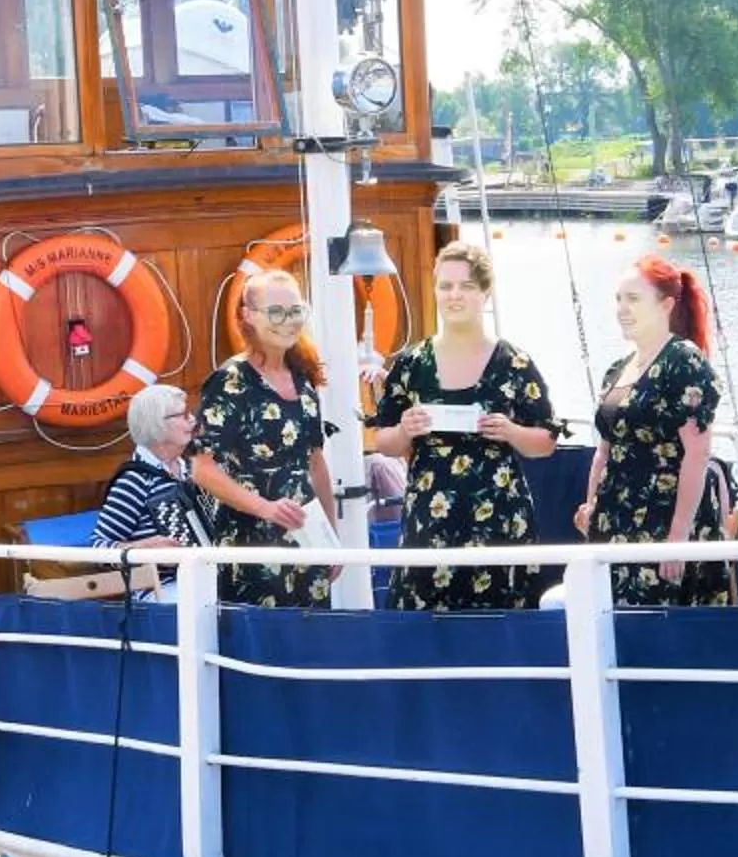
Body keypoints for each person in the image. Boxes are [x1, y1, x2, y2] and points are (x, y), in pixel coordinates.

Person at [368, 242, 559, 610]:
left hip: (501, 522)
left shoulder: (514, 363)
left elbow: (546, 441)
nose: (455, 295)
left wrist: (511, 432)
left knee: (505, 625)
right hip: (430, 523)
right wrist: (406, 429)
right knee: (426, 630)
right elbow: (384, 441)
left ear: (485, 293)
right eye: (446, 286)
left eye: (467, 286)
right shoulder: (411, 364)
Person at [578, 254, 730, 605]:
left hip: (661, 518)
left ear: (665, 305)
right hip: (615, 518)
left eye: (633, 299)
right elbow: (605, 449)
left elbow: (697, 453)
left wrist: (677, 538)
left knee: (660, 626)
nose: (622, 308)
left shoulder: (682, 360)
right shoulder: (618, 368)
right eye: (618, 299)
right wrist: (590, 506)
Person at [189, 267, 338, 607]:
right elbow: (202, 469)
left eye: (295, 310)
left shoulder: (303, 380)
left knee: (310, 650)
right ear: (248, 316)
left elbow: (315, 464)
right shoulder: (230, 381)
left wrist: (332, 540)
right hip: (251, 551)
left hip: (308, 544)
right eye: (275, 311)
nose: (287, 320)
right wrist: (266, 509)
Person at [70, 383, 210, 598]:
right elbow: (98, 548)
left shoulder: (191, 469)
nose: (192, 420)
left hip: (204, 578)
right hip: (162, 588)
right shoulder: (134, 480)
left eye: (190, 413)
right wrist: (142, 549)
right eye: (183, 415)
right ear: (157, 425)